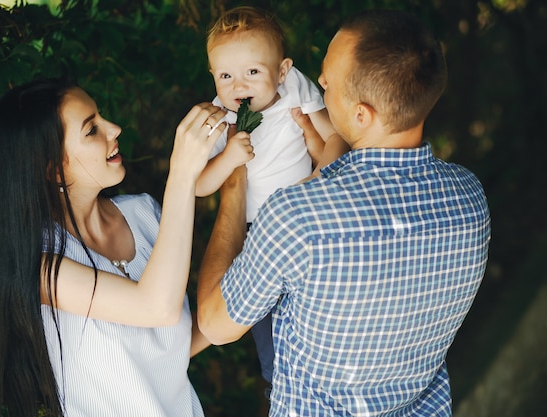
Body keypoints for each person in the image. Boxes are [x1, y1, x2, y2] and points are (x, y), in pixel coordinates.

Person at [197, 9, 491, 417]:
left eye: (328, 82)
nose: (317, 84)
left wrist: (233, 185)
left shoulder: (298, 218)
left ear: (360, 115)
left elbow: (214, 324)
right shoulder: (470, 199)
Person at [0, 78, 229, 417]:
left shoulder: (143, 213)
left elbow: (167, 349)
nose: (114, 129)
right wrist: (182, 174)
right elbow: (157, 307)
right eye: (92, 130)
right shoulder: (40, 266)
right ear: (53, 169)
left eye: (101, 118)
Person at [195, 5, 349, 388]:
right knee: (268, 320)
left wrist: (319, 175)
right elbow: (197, 185)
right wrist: (229, 158)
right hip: (255, 234)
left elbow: (335, 136)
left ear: (282, 70)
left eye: (252, 72)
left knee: (322, 301)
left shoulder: (295, 87)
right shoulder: (218, 118)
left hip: (311, 213)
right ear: (213, 77)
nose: (238, 87)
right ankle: (280, 381)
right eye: (226, 76)